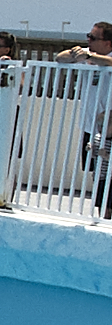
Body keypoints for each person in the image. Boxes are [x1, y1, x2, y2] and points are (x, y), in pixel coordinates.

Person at [58, 22, 112, 215]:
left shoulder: (105, 58)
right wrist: (76, 53)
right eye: (88, 36)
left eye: (93, 37)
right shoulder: (86, 56)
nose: (88, 40)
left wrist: (92, 56)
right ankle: (102, 214)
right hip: (89, 127)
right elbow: (59, 58)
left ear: (108, 43)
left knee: (108, 175)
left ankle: (107, 215)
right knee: (95, 173)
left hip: (108, 129)